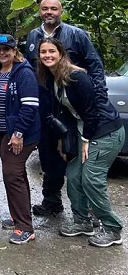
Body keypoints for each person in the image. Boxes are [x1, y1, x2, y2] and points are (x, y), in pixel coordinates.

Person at [37, 38, 125, 248]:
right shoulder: (52, 77)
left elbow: (92, 112)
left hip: (105, 132)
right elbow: (66, 113)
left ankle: (112, 228)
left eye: (52, 51)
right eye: (43, 52)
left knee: (91, 179)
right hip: (86, 131)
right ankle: (82, 221)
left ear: (61, 54)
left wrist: (86, 139)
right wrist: (64, 139)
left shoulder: (77, 76)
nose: (47, 55)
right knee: (75, 175)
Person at [25, 0, 107, 216]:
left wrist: (98, 101)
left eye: (53, 8)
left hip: (70, 106)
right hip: (45, 105)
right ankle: (51, 201)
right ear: (39, 11)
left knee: (74, 153)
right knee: (48, 154)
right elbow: (29, 71)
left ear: (61, 11)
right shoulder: (33, 36)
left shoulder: (77, 35)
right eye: (45, 9)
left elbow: (95, 67)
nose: (49, 12)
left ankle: (85, 210)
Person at [0, 34, 40, 244]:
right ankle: (18, 215)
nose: (1, 52)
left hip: (18, 134)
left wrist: (18, 134)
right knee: (16, 174)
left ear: (14, 49)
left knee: (12, 174)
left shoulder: (23, 73)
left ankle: (25, 227)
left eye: (6, 49)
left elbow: (29, 106)